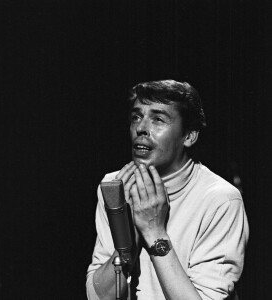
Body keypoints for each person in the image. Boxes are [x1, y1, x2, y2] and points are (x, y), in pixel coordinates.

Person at [86, 79, 249, 300]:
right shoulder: (115, 186)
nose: (141, 128)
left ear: (189, 136)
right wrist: (126, 238)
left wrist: (154, 232)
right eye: (136, 116)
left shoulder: (220, 200)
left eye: (158, 119)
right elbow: (98, 297)